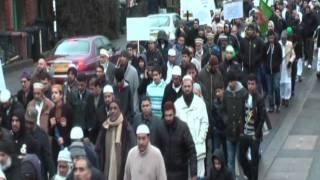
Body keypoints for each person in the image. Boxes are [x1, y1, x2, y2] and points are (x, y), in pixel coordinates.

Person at [174, 75, 209, 180]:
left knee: (199, 176)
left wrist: (200, 138)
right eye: (185, 86)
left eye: (189, 86)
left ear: (192, 86)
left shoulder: (200, 103)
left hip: (198, 149)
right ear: (182, 87)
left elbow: (205, 122)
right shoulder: (177, 104)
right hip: (183, 151)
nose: (187, 88)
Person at [95, 99, 136, 180]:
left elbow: (133, 148)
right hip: (106, 167)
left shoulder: (126, 127)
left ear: (120, 110)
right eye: (111, 108)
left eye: (115, 108)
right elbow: (98, 147)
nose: (113, 111)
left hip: (121, 170)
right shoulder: (105, 126)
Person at [156, 101, 197, 180]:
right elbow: (156, 150)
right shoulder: (160, 127)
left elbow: (192, 150)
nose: (168, 118)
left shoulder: (183, 127)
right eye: (166, 115)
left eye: (170, 115)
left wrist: (193, 174)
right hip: (164, 172)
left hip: (180, 172)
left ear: (174, 113)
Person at [238, 74, 267, 180]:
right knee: (241, 158)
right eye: (249, 84)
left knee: (255, 161)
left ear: (256, 85)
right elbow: (241, 113)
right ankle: (250, 176)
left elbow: (262, 117)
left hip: (254, 135)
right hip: (245, 133)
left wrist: (257, 134)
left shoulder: (259, 99)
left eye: (252, 84)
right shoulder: (244, 96)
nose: (250, 86)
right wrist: (241, 131)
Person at [222, 70, 248, 178]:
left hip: (240, 132)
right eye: (228, 81)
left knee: (240, 158)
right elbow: (223, 110)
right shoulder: (226, 93)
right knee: (230, 160)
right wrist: (226, 120)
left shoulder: (243, 93)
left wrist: (242, 124)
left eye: (231, 81)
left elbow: (247, 111)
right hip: (229, 132)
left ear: (236, 81)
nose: (230, 84)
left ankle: (243, 176)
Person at [25, 107, 56, 179]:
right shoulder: (22, 133)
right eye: (27, 122)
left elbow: (48, 157)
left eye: (31, 123)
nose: (28, 125)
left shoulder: (42, 136)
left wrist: (52, 175)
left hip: (39, 173)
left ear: (35, 121)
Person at [49, 84, 73, 163]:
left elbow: (72, 128)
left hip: (66, 145)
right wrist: (52, 126)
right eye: (52, 93)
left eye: (56, 93)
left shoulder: (68, 109)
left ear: (61, 95)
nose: (53, 95)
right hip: (56, 146)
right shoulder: (52, 111)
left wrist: (65, 139)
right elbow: (50, 132)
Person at [263, 30, 282, 113]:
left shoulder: (278, 46)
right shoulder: (266, 46)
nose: (271, 39)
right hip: (268, 71)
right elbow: (263, 57)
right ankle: (271, 105)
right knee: (270, 89)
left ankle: (278, 104)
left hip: (276, 71)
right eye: (269, 38)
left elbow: (280, 58)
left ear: (274, 37)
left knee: (277, 87)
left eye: (272, 37)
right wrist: (265, 65)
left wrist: (276, 64)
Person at [279, 30, 295, 107]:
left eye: (284, 39)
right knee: (281, 83)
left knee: (288, 84)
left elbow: (293, 55)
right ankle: (282, 97)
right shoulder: (278, 44)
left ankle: (287, 98)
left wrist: (290, 62)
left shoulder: (290, 44)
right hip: (280, 67)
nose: (283, 40)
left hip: (287, 67)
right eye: (282, 39)